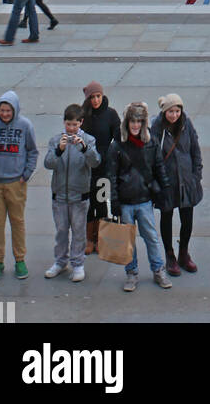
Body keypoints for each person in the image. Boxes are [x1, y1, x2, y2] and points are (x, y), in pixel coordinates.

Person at [104, 102, 172, 291]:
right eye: (132, 121)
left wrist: (165, 190)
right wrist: (114, 201)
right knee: (128, 240)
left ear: (144, 123)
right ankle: (131, 273)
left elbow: (159, 167)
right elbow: (111, 175)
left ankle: (158, 270)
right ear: (127, 122)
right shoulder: (117, 145)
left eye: (139, 122)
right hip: (125, 201)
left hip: (144, 200)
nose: (135, 125)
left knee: (151, 237)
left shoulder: (152, 142)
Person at [43, 104, 100, 283]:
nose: (71, 128)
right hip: (59, 195)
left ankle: (78, 264)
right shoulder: (55, 140)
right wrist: (58, 151)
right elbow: (48, 163)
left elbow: (95, 162)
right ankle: (60, 262)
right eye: (68, 124)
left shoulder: (89, 140)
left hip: (79, 196)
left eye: (75, 125)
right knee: (61, 231)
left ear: (81, 123)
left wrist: (84, 148)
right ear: (64, 123)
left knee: (78, 231)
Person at [0, 90, 37, 281]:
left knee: (17, 222)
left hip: (16, 182)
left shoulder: (25, 125)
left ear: (14, 110)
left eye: (8, 110)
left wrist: (26, 174)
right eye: (2, 110)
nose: (5, 114)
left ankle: (19, 260)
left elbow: (32, 151)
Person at [151, 94, 203, 277]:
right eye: (170, 111)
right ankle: (170, 255)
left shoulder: (186, 125)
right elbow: (153, 156)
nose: (174, 115)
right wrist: (158, 180)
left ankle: (183, 252)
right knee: (166, 217)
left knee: (187, 218)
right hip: (167, 182)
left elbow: (195, 150)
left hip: (187, 181)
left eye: (177, 111)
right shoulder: (157, 129)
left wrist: (197, 176)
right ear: (164, 112)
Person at [80, 83, 120, 255]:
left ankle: (101, 238)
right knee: (89, 204)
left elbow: (119, 137)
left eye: (98, 96)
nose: (96, 100)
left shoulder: (111, 114)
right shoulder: (83, 115)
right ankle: (90, 239)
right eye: (92, 97)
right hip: (87, 168)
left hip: (104, 167)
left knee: (102, 202)